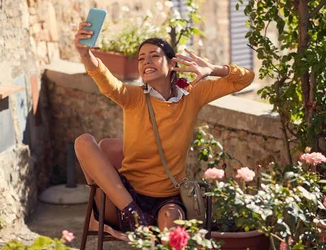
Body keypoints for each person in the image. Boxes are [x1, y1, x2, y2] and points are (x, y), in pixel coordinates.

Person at [73, 22, 254, 232]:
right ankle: (135, 216)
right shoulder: (134, 97)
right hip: (124, 198)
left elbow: (244, 79)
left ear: (171, 63)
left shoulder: (192, 95)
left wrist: (213, 69)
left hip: (166, 199)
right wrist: (86, 55)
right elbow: (107, 82)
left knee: (171, 222)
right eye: (141, 58)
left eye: (154, 56)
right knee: (83, 141)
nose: (146, 61)